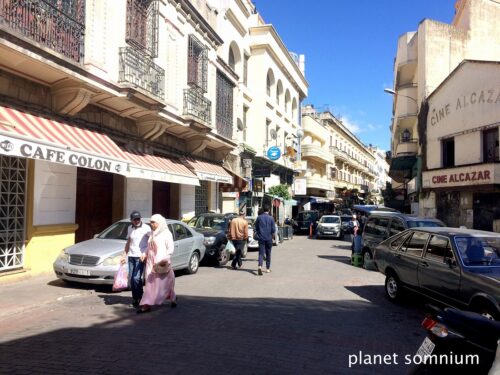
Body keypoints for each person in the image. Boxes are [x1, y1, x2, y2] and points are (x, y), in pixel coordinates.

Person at [137, 214, 177, 313]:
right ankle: (146, 304)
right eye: (150, 222)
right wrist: (144, 254)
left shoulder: (166, 233)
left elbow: (170, 248)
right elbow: (149, 246)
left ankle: (172, 297)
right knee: (149, 283)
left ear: (159, 223)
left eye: (153, 222)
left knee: (164, 284)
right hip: (150, 263)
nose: (151, 224)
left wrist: (165, 259)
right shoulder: (152, 233)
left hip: (161, 263)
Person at [122, 211, 150, 308]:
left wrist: (145, 253)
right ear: (131, 220)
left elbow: (151, 241)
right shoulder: (130, 228)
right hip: (131, 256)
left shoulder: (146, 228)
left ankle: (141, 297)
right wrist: (124, 255)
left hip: (140, 256)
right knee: (132, 279)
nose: (137, 221)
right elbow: (128, 242)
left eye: (138, 219)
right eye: (135, 219)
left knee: (136, 278)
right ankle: (136, 299)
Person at [254, 205, 275, 275]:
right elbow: (273, 229)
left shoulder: (259, 217)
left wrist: (258, 232)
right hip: (269, 238)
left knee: (261, 253)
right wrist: (273, 236)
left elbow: (256, 227)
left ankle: (260, 266)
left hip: (261, 238)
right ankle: (268, 268)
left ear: (263, 210)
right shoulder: (271, 218)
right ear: (269, 210)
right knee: (268, 253)